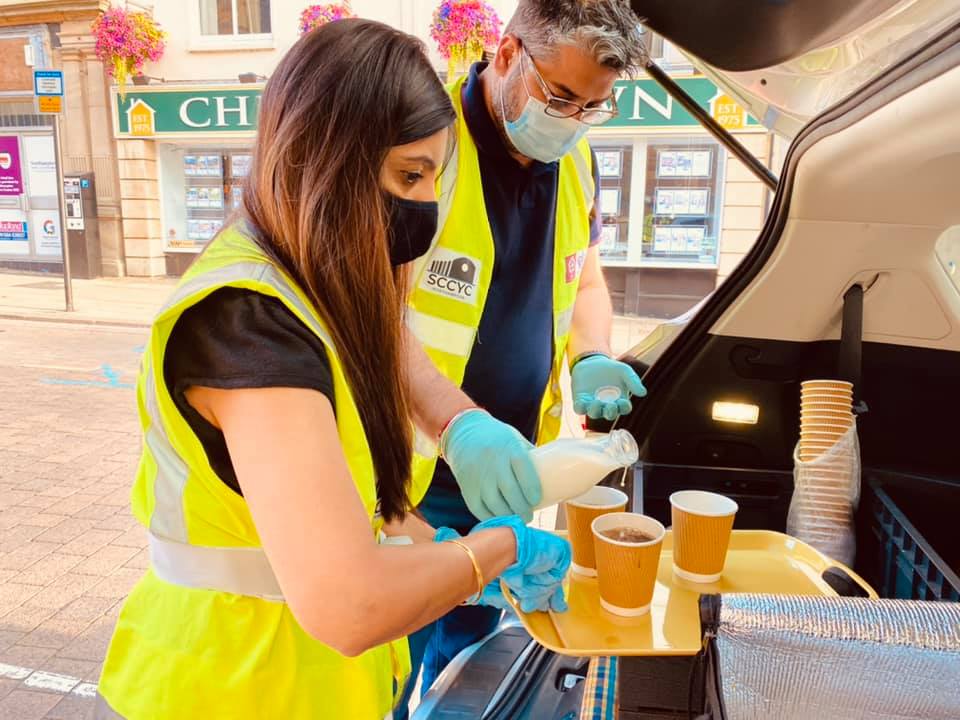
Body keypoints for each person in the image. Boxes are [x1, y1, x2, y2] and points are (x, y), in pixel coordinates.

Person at [94, 20, 570, 720]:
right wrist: (494, 551)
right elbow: (349, 603)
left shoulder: (314, 283)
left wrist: (440, 545)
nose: (425, 207)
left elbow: (354, 501)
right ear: (327, 160)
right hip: (223, 688)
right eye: (410, 174)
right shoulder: (248, 325)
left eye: (434, 177)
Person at [398, 0, 647, 713]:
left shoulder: (574, 158)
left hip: (512, 474)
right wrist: (458, 426)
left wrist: (590, 357)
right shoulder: (422, 150)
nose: (570, 120)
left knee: (467, 665)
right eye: (560, 97)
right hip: (412, 468)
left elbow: (586, 273)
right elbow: (371, 315)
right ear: (506, 54)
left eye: (593, 107)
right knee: (391, 657)